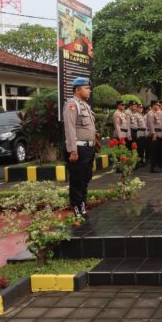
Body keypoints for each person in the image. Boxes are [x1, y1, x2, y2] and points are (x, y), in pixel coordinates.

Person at [63, 77, 96, 218]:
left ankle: (82, 204)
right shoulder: (72, 105)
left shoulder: (85, 105)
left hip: (88, 148)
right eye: (86, 88)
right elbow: (69, 128)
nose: (89, 90)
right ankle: (77, 209)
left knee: (85, 178)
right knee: (77, 180)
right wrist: (73, 150)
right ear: (77, 89)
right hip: (78, 149)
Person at [146, 100, 162, 173]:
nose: (158, 106)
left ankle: (157, 165)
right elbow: (151, 125)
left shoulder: (156, 113)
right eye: (157, 105)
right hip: (154, 134)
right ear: (153, 105)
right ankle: (153, 167)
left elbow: (160, 124)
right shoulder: (150, 114)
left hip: (158, 133)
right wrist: (153, 134)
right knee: (154, 152)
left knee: (158, 151)